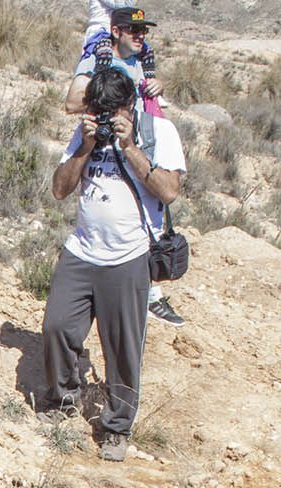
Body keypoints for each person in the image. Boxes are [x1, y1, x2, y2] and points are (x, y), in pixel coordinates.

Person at [40, 68, 186, 462]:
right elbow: (59, 189)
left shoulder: (159, 133)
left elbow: (170, 191)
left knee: (122, 348)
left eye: (111, 112)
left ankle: (117, 427)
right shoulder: (86, 134)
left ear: (128, 106)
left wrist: (131, 147)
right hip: (83, 250)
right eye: (98, 112)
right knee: (57, 326)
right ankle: (63, 398)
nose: (104, 119)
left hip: (128, 256)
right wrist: (86, 147)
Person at [65, 8, 188, 327]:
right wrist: (111, 102)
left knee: (150, 212)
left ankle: (151, 292)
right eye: (134, 30)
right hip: (107, 146)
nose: (140, 36)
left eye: (143, 31)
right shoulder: (97, 60)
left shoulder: (144, 62)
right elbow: (72, 103)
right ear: (115, 31)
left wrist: (154, 89)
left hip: (144, 142)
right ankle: (138, 296)